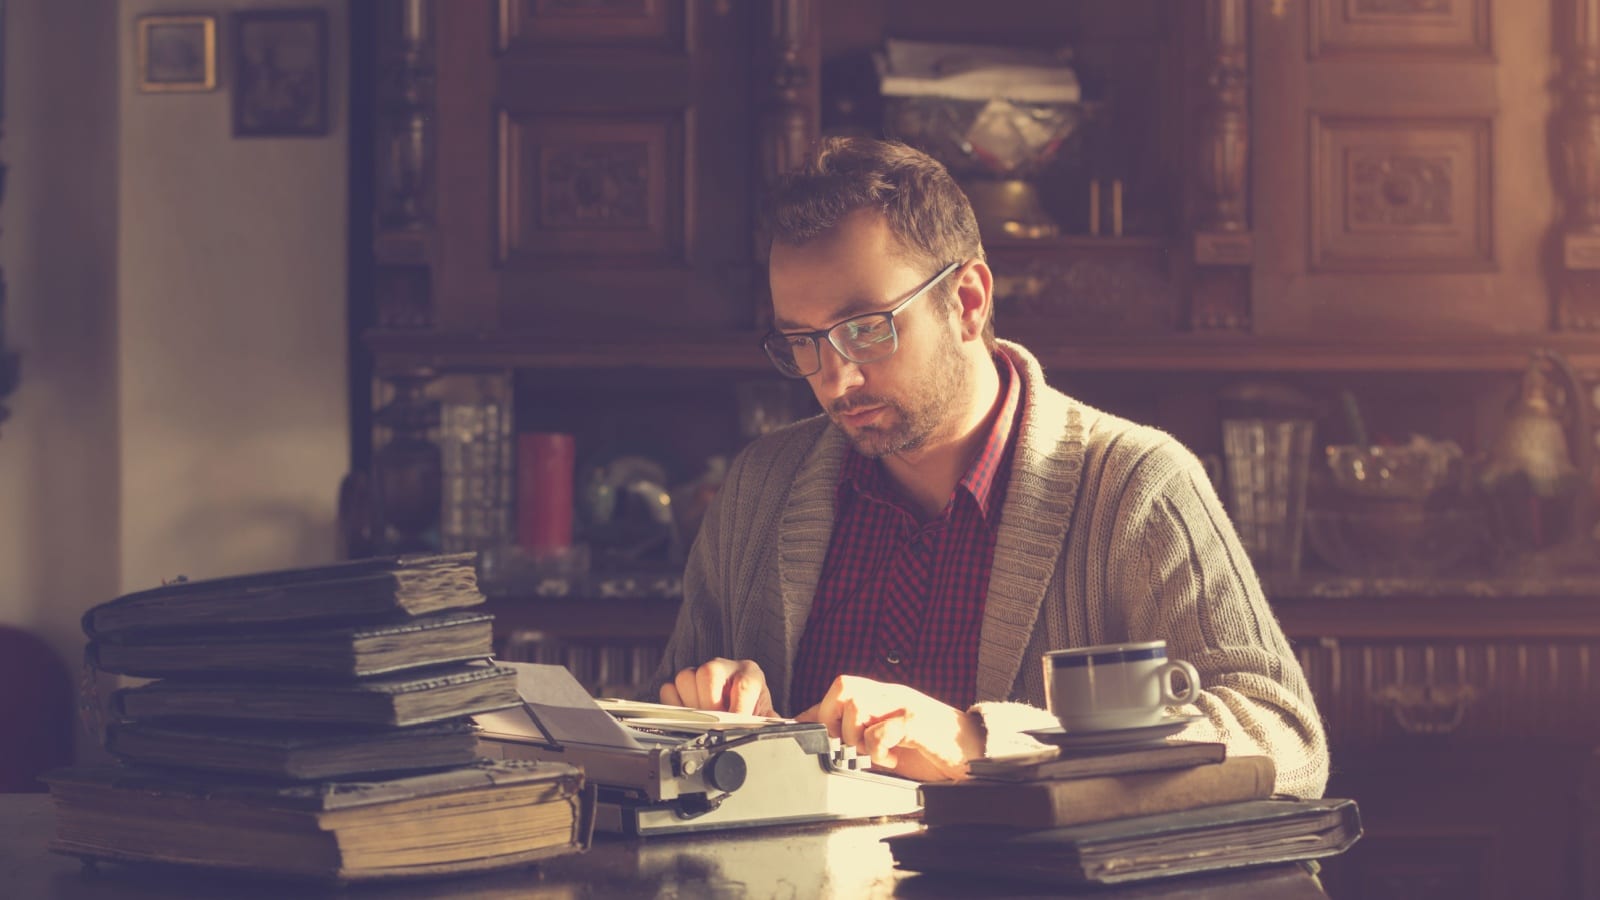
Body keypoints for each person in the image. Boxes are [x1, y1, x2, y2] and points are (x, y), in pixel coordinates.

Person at [655, 137, 1328, 797]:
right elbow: (654, 750)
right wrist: (700, 712)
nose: (835, 380)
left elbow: (1286, 741)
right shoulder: (758, 488)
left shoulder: (1137, 486)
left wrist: (980, 742)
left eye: (866, 327)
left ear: (969, 301)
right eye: (803, 341)